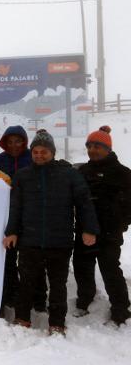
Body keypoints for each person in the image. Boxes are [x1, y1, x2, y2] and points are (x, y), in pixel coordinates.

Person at [3, 129, 99, 335]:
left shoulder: (69, 174)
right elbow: (15, 207)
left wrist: (90, 229)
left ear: (52, 152)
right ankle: (22, 318)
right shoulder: (23, 176)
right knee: (26, 282)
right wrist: (11, 232)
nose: (39, 155)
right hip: (29, 239)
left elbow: (84, 203)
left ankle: (57, 322)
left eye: (44, 151)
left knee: (58, 285)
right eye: (35, 151)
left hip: (60, 240)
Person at [73, 126, 131, 325]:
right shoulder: (83, 171)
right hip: (83, 231)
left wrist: (121, 224)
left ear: (108, 148)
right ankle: (85, 300)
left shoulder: (123, 173)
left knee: (110, 270)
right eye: (89, 146)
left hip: (109, 233)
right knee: (82, 267)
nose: (92, 150)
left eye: (97, 146)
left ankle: (121, 309)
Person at [0, 125, 45, 313]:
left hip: (31, 216)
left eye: (18, 141)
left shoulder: (33, 158)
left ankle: (39, 297)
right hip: (5, 215)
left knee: (32, 259)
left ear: (24, 141)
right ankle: (10, 292)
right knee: (8, 258)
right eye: (10, 142)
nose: (14, 145)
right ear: (4, 143)